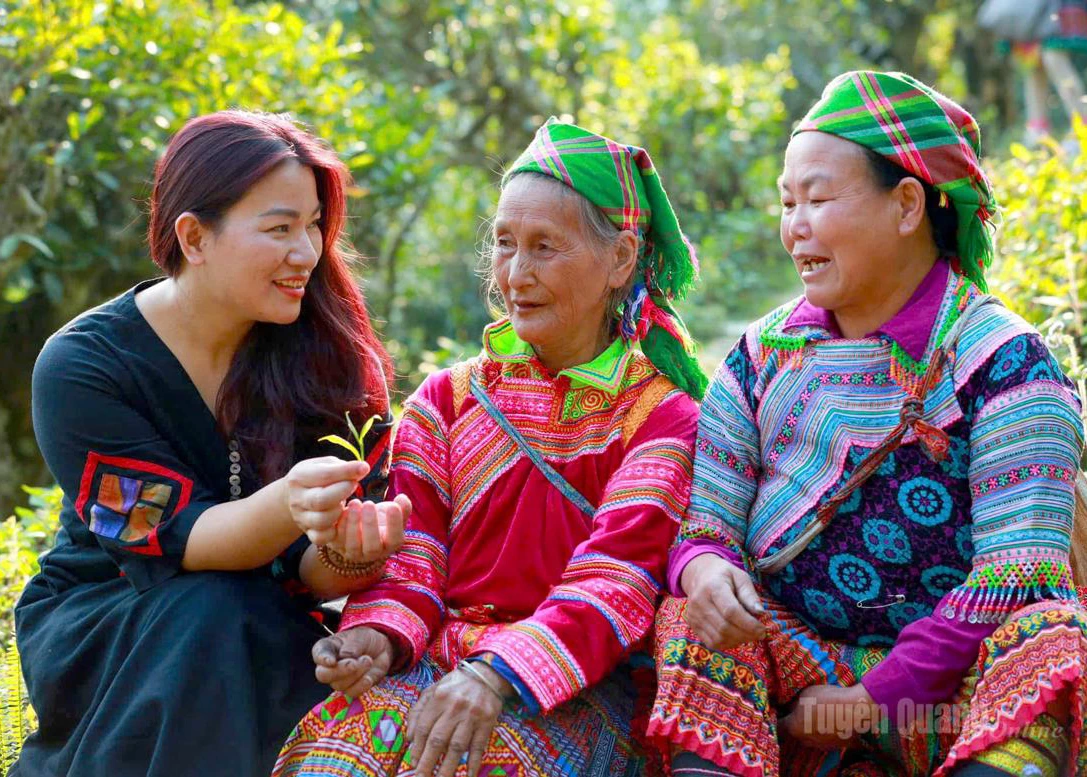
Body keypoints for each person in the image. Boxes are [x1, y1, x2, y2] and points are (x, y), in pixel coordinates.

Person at [649, 71, 1086, 776]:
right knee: (690, 624)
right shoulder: (761, 357)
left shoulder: (1005, 364)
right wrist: (704, 573)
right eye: (787, 202)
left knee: (1045, 638)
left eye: (818, 199)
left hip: (947, 701)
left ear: (907, 204)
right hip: (797, 674)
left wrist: (861, 703)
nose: (795, 225)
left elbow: (1014, 579)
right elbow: (706, 527)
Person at [273, 119, 705, 777]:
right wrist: (373, 636)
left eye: (544, 246)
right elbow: (414, 554)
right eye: (504, 243)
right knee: (336, 758)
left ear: (619, 260)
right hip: (440, 660)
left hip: (576, 682)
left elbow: (615, 579)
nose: (516, 272)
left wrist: (498, 674)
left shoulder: (658, 417)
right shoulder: (446, 400)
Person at [12, 111, 411, 777]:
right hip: (109, 613)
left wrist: (346, 553)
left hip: (256, 616)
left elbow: (312, 571)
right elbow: (181, 538)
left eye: (314, 225)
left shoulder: (323, 352)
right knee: (213, 610)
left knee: (243, 618)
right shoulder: (81, 368)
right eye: (280, 228)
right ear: (194, 236)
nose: (307, 252)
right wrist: (292, 500)